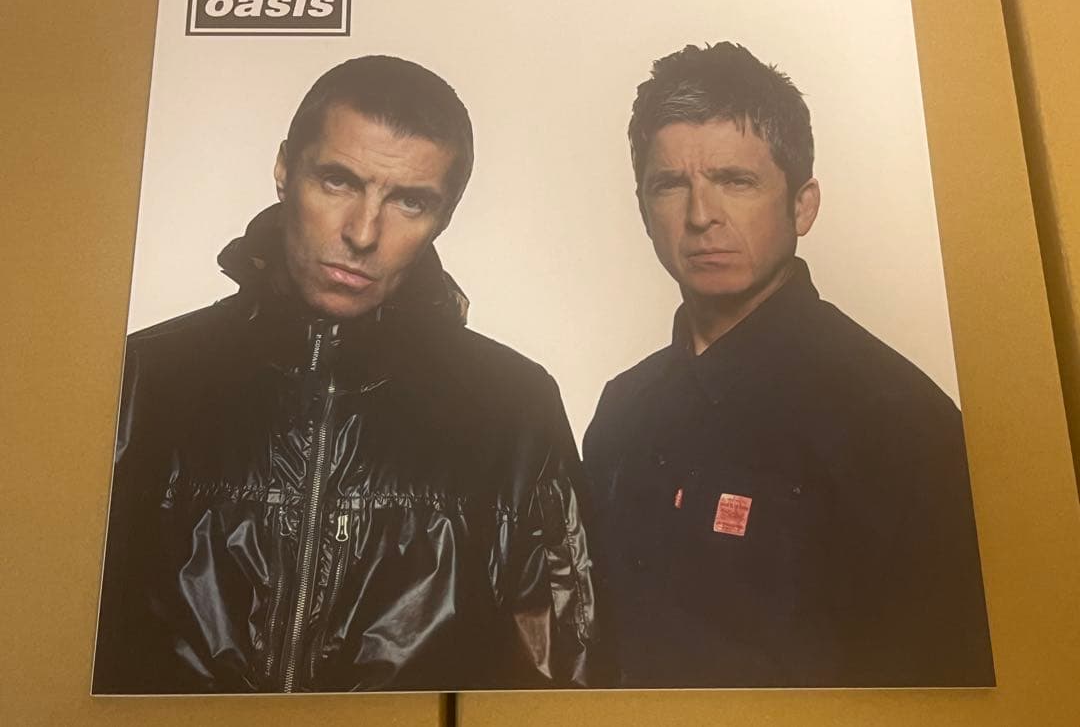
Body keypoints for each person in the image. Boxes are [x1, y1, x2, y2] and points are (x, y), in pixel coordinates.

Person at [93, 55, 599, 694]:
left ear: (445, 217)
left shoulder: (513, 408)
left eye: (410, 202)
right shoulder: (142, 378)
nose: (363, 232)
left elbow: (562, 680)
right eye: (337, 181)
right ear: (284, 169)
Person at [583, 42, 994, 688]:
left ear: (802, 205)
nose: (701, 216)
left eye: (736, 181)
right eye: (671, 185)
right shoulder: (623, 409)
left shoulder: (899, 422)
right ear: (643, 210)